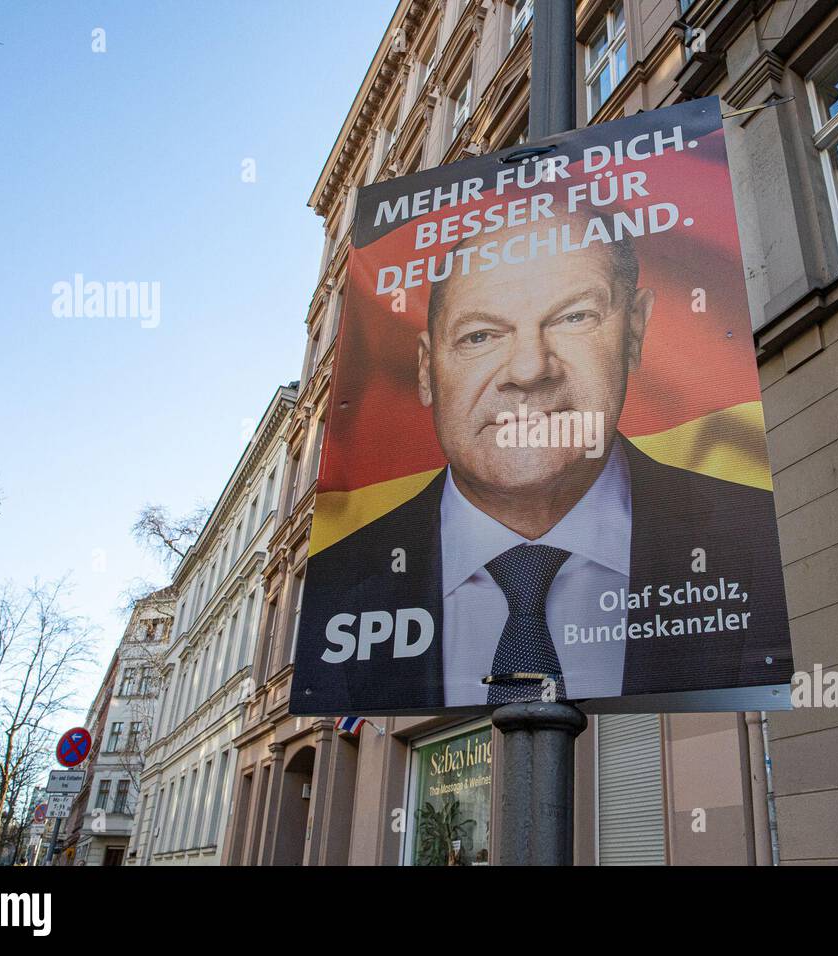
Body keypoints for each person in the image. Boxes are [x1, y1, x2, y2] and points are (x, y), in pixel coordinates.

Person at [292, 209, 788, 712]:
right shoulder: (337, 587)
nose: (529, 369)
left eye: (575, 317)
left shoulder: (755, 540)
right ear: (426, 369)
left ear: (634, 332)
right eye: (480, 336)